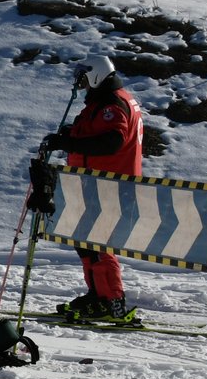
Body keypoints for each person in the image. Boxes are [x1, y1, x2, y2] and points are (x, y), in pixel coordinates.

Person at [42, 55, 144, 322]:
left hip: (108, 184)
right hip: (94, 182)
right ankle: (98, 294)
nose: (83, 84)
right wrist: (71, 135)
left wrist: (69, 144)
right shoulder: (104, 102)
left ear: (97, 75)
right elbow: (95, 133)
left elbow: (112, 141)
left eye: (86, 78)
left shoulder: (112, 104)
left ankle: (113, 300)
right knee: (85, 241)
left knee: (98, 242)